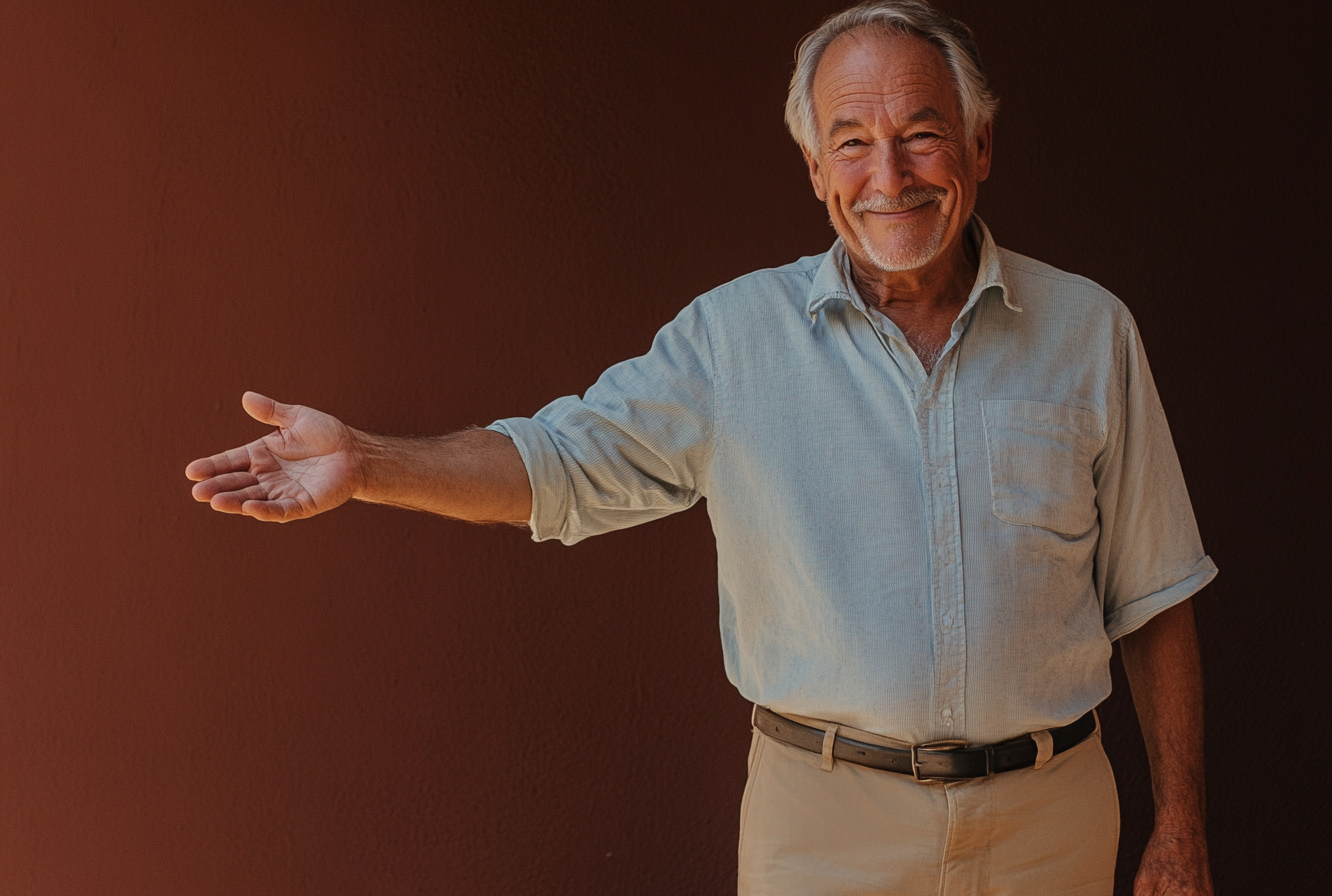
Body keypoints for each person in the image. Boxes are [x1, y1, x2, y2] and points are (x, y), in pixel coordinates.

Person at [186, 2, 1216, 893]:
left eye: (923, 133)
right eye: (850, 139)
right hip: (825, 828)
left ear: (981, 147)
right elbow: (561, 463)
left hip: (1053, 825)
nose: (888, 172)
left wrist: (1181, 827)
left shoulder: (1090, 332)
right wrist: (368, 461)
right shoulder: (732, 342)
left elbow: (1155, 592)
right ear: (815, 170)